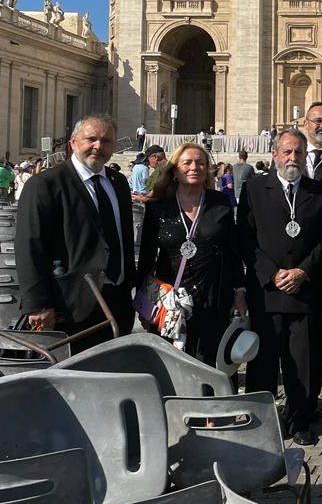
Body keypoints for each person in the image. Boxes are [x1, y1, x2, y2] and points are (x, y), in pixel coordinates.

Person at [237, 129, 322, 445]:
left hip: (304, 289)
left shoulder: (319, 193)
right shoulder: (254, 188)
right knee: (263, 361)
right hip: (267, 290)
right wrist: (272, 273)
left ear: (306, 156)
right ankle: (260, 422)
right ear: (274, 154)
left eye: (298, 153)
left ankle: (300, 419)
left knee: (302, 362)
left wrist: (302, 271)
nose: (292, 158)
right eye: (287, 152)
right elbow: (245, 237)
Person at [15, 114, 136, 350]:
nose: (98, 146)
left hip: (116, 304)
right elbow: (29, 246)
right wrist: (38, 304)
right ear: (73, 142)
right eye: (91, 139)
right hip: (69, 307)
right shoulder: (45, 185)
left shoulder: (118, 183)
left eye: (106, 141)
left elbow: (124, 238)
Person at [138, 143, 247, 363]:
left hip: (214, 295)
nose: (194, 167)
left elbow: (232, 252)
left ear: (207, 168)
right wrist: (145, 303)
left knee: (212, 361)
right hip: (171, 301)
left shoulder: (220, 202)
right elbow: (147, 259)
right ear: (175, 169)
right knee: (172, 364)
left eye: (200, 162)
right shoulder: (158, 207)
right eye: (187, 162)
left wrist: (240, 293)